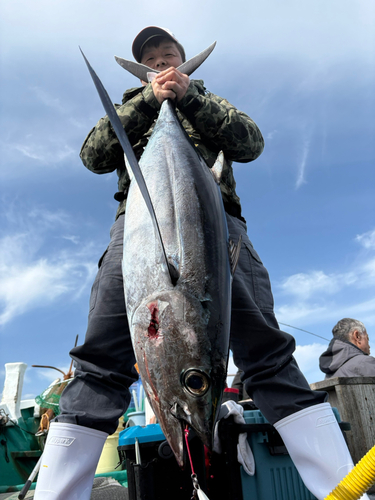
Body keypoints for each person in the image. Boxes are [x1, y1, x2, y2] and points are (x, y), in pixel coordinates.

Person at [34, 27, 369, 500]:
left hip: (217, 225)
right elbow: (94, 154)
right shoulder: (132, 108)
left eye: (168, 55)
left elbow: (250, 143)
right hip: (138, 231)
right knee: (100, 360)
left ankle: (344, 490)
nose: (161, 63)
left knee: (267, 353)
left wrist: (188, 97)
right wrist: (149, 100)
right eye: (151, 59)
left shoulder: (208, 101)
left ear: (184, 60)